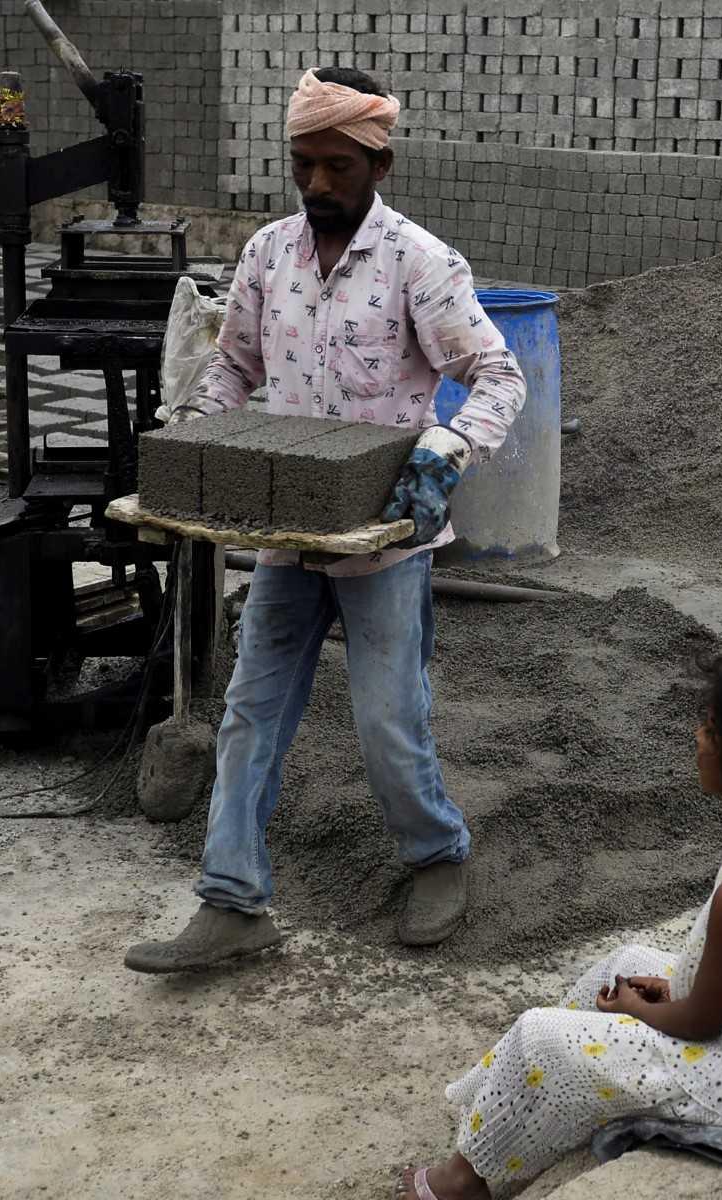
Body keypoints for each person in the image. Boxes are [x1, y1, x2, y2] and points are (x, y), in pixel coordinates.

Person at [123, 67, 528, 974]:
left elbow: (500, 378)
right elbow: (230, 368)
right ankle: (232, 903)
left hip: (382, 539)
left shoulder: (422, 266)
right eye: (303, 164)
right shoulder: (268, 255)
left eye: (337, 166)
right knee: (249, 714)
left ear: (378, 163)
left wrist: (445, 451)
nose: (316, 185)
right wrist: (194, 433)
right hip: (282, 534)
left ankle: (435, 857)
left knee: (388, 720)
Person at [395, 643, 722, 1199]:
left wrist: (639, 1008)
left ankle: (462, 1181)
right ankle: (494, 1103)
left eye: (710, 727)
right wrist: (665, 988)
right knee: (626, 962)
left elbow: (703, 1022)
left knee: (538, 1036)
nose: (697, 735)